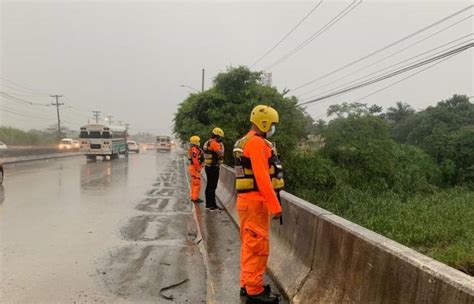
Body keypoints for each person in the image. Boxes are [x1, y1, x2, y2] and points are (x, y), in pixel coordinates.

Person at [233, 105, 281, 304]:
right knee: (257, 247)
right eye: (272, 125)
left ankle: (247, 283)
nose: (272, 129)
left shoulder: (242, 141)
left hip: (245, 202)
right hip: (256, 203)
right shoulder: (257, 143)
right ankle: (254, 290)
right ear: (264, 122)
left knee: (248, 245)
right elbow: (262, 178)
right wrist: (275, 205)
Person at [203, 127, 225, 210]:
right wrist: (222, 146)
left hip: (208, 166)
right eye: (220, 137)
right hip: (213, 167)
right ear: (217, 136)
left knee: (209, 186)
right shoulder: (214, 143)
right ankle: (213, 205)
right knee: (213, 186)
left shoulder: (207, 142)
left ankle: (208, 204)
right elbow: (221, 153)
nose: (220, 139)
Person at [188, 135, 203, 203]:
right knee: (197, 184)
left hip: (193, 167)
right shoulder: (194, 149)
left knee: (194, 183)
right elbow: (195, 160)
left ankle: (193, 197)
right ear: (196, 142)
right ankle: (195, 198)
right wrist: (198, 168)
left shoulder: (193, 148)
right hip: (194, 168)